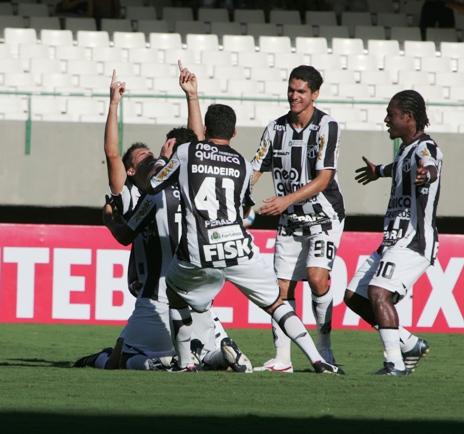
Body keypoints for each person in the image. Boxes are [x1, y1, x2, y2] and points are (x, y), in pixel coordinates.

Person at [142, 64, 343, 375]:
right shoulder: (241, 164)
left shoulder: (185, 153)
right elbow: (240, 194)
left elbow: (159, 180)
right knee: (277, 302)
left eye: (300, 90)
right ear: (234, 134)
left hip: (199, 251)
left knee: (174, 294)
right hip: (238, 248)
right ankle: (318, 360)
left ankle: (186, 364)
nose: (293, 95)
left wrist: (164, 157)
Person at [73, 70, 252, 372]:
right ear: (131, 172)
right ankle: (219, 354)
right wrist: (114, 103)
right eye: (141, 159)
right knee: (203, 354)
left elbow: (196, 146)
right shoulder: (133, 194)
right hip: (186, 295)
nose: (149, 158)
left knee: (119, 360)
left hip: (158, 301)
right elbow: (113, 153)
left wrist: (192, 96)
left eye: (152, 154)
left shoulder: (175, 182)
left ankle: (159, 362)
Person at [250, 65, 344, 373]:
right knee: (280, 290)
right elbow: (255, 168)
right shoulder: (275, 129)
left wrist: (285, 200)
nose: (294, 95)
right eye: (291, 89)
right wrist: (236, 192)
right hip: (290, 222)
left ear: (315, 94)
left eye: (301, 91)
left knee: (317, 279)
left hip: (324, 217)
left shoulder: (326, 126)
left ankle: (325, 348)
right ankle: (282, 358)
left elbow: (324, 178)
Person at [346, 90, 439, 376]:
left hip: (413, 241)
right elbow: (399, 167)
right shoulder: (404, 150)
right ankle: (409, 343)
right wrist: (379, 171)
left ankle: (394, 363)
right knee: (354, 297)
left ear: (408, 118)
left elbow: (430, 164)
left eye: (391, 114)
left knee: (379, 292)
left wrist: (428, 174)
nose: (386, 120)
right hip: (392, 240)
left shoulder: (426, 147)